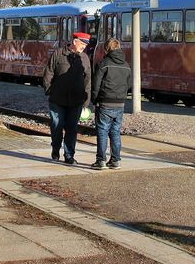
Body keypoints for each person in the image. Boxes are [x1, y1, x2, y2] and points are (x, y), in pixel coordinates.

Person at [41, 31, 91, 165]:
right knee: (56, 126)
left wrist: (86, 98)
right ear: (75, 41)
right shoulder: (58, 54)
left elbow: (88, 80)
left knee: (72, 128)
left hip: (76, 100)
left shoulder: (85, 58)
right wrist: (49, 90)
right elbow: (48, 72)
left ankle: (69, 155)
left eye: (86, 45)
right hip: (57, 99)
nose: (84, 47)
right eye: (83, 44)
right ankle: (55, 149)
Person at [90, 37, 132, 170]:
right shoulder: (126, 65)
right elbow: (129, 84)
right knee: (115, 132)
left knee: (102, 131)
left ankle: (100, 160)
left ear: (107, 49)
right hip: (120, 104)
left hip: (105, 103)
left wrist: (94, 99)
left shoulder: (104, 64)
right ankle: (115, 160)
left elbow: (96, 84)